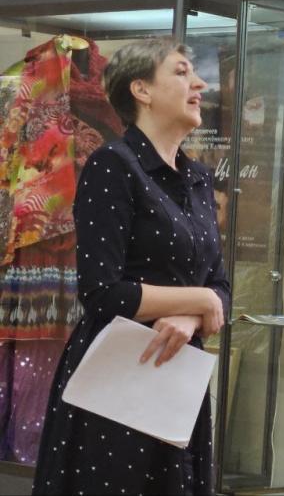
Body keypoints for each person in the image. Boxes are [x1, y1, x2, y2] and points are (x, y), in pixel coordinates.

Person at [32, 38, 230, 495]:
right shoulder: (112, 165)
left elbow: (220, 286)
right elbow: (102, 292)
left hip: (177, 377)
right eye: (181, 72)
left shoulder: (198, 178)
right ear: (141, 90)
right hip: (117, 382)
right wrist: (201, 300)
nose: (199, 84)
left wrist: (191, 315)